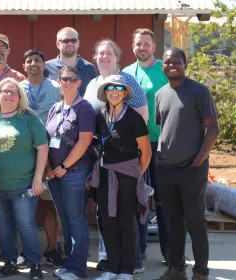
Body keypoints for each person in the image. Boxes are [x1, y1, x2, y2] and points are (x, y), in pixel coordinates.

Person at [154, 48, 219, 280]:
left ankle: (201, 272)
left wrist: (196, 164)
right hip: (167, 170)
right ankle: (176, 269)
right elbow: (165, 128)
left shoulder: (199, 91)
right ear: (163, 66)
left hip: (192, 170)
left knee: (195, 222)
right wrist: (159, 157)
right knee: (174, 222)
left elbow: (213, 129)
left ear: (185, 64)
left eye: (177, 62)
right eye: (167, 62)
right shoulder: (160, 94)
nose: (172, 65)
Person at [0, 78, 48, 280]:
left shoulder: (29, 118)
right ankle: (10, 262)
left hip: (24, 185)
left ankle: (34, 263)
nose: (8, 95)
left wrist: (38, 178)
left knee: (26, 225)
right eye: (4, 91)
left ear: (20, 97)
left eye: (13, 92)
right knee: (4, 226)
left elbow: (42, 148)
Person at [87, 75, 151, 280]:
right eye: (110, 88)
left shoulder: (134, 118)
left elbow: (146, 152)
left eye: (118, 88)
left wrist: (134, 174)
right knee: (107, 221)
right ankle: (111, 267)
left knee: (126, 221)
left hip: (128, 176)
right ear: (105, 92)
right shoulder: (100, 115)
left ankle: (126, 270)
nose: (114, 91)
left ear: (125, 93)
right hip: (105, 175)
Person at [122, 28, 170, 273]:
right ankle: (138, 249)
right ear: (133, 46)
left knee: (163, 199)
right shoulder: (127, 73)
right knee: (139, 199)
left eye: (147, 44)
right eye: (138, 43)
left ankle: (170, 252)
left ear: (154, 47)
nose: (142, 47)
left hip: (161, 144)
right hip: (135, 146)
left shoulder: (165, 70)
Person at [46, 66, 96, 280]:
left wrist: (64, 167)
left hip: (74, 171)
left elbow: (85, 141)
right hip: (54, 174)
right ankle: (69, 263)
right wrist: (49, 167)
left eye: (71, 79)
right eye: (63, 78)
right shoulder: (55, 108)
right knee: (65, 219)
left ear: (79, 82)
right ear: (59, 82)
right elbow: (48, 140)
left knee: (76, 219)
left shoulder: (84, 107)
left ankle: (78, 268)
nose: (67, 82)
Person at [19, 49, 63, 268]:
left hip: (49, 152)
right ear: (24, 66)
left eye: (37, 60)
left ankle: (53, 248)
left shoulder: (56, 88)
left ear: (45, 65)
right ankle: (24, 251)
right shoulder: (18, 89)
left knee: (48, 202)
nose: (33, 63)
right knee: (22, 204)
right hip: (23, 152)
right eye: (29, 61)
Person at [84, 39, 148, 120]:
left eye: (109, 53)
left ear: (116, 58)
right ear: (96, 57)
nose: (105, 56)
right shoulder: (92, 84)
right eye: (101, 53)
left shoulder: (128, 80)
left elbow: (143, 115)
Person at [44, 27, 98, 96]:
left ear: (78, 43)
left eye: (73, 40)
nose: (70, 43)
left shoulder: (90, 68)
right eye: (66, 40)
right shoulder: (47, 68)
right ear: (58, 44)